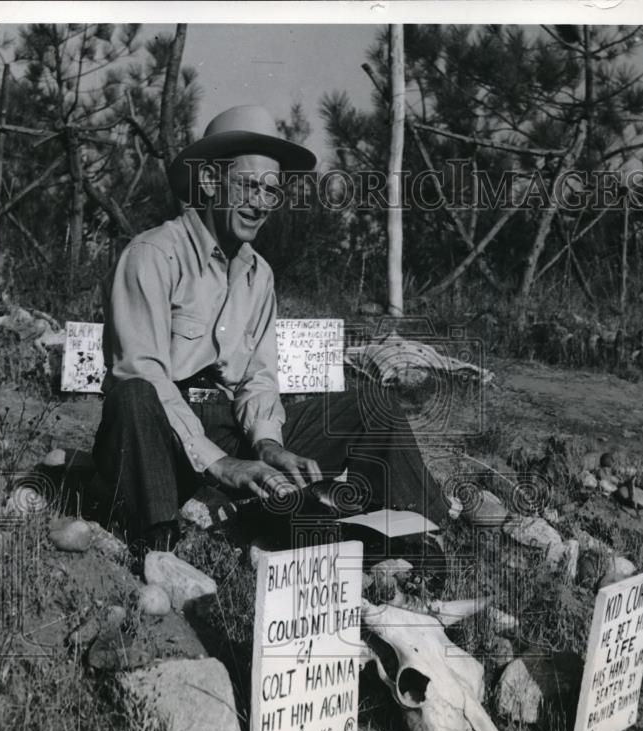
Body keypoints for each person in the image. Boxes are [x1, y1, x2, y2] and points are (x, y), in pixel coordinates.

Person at [92, 105, 449, 559]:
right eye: (248, 185)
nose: (261, 203)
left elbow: (258, 379)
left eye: (271, 191)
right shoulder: (153, 255)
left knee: (370, 405)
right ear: (208, 182)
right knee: (135, 391)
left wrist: (267, 446)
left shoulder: (258, 275)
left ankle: (422, 534)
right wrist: (223, 465)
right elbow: (141, 372)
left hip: (224, 427)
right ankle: (160, 546)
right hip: (155, 434)